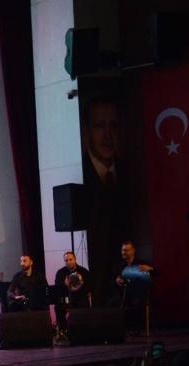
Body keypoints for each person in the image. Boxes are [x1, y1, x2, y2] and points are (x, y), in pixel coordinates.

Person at [82, 97, 132, 305]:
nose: (108, 135)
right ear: (87, 131)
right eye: (100, 126)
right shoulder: (82, 173)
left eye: (113, 126)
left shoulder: (129, 173)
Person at [116, 240, 156, 330]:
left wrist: (150, 268)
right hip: (123, 294)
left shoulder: (141, 263)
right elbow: (115, 278)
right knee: (114, 303)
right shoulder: (120, 265)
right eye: (122, 250)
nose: (124, 252)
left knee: (136, 302)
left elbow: (156, 272)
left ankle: (135, 328)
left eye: (126, 250)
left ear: (133, 251)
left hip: (138, 294)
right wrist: (117, 280)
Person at [54, 251, 91, 336]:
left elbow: (89, 287)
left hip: (80, 297)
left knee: (83, 304)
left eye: (70, 259)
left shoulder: (83, 271)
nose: (69, 262)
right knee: (58, 307)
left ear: (75, 259)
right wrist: (64, 284)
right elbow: (57, 288)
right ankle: (64, 331)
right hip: (66, 298)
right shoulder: (60, 272)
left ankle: (83, 331)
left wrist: (80, 286)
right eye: (66, 260)